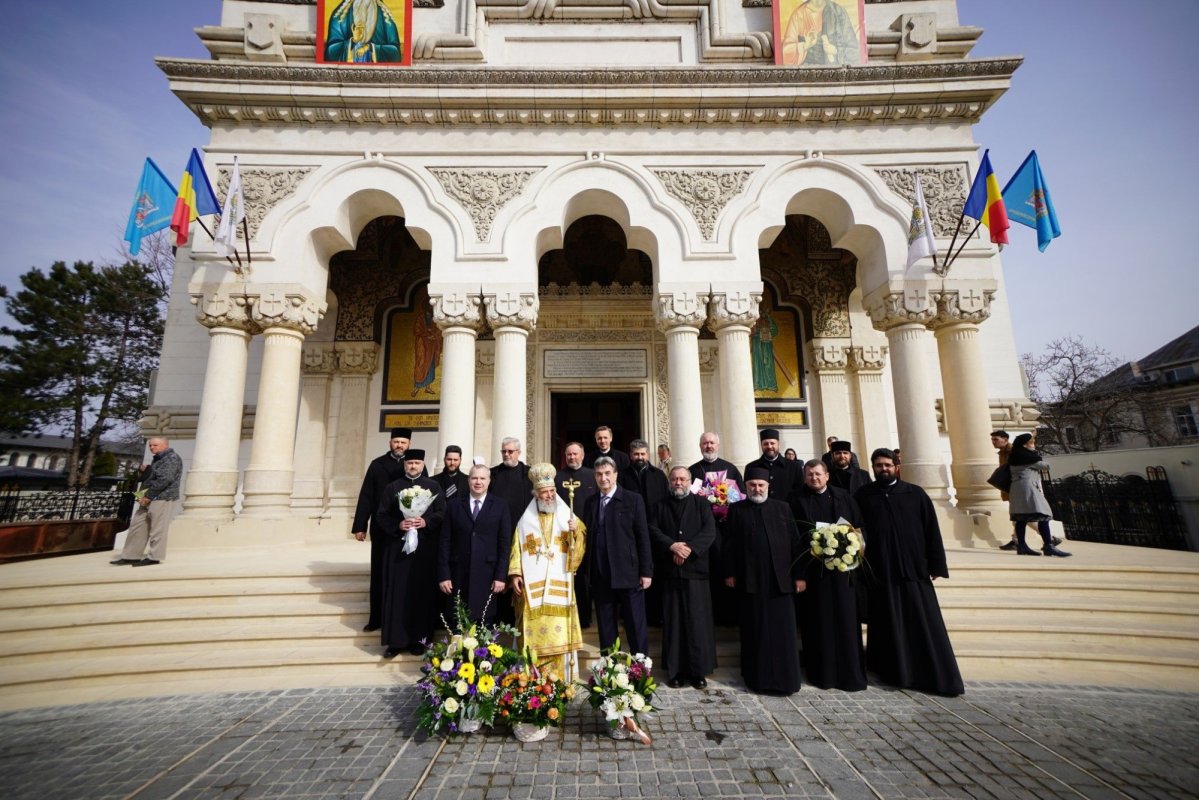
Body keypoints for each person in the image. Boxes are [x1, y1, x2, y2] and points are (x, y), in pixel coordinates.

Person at [855, 448, 964, 696]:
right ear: (872, 468)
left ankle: (928, 670)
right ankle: (893, 672)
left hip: (913, 570)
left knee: (922, 622)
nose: (883, 469)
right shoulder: (864, 495)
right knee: (886, 624)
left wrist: (936, 564)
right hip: (881, 572)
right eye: (878, 465)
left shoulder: (915, 494)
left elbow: (931, 531)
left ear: (897, 466)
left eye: (887, 465)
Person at [723, 467, 806, 695]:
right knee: (754, 630)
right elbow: (729, 544)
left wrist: (799, 576)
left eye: (760, 485)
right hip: (751, 581)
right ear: (746, 487)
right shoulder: (737, 510)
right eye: (752, 485)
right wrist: (729, 573)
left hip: (781, 581)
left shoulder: (783, 508)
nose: (756, 489)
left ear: (767, 486)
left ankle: (786, 680)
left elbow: (795, 544)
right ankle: (757, 679)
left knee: (783, 633)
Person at [790, 460, 866, 691]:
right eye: (810, 474)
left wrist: (855, 550)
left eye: (818, 474)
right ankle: (822, 674)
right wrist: (799, 574)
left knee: (846, 620)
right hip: (814, 573)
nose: (814, 478)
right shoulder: (796, 500)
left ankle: (850, 675)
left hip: (843, 572)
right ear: (804, 477)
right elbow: (793, 538)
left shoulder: (844, 497)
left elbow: (859, 528)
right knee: (818, 623)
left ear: (827, 476)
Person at [508, 463, 587, 675]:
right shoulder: (525, 522)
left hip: (559, 586)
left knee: (560, 635)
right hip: (534, 592)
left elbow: (580, 543)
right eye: (545, 492)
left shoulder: (566, 515)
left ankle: (564, 677)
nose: (549, 496)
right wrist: (515, 573)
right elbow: (517, 547)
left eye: (552, 491)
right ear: (536, 495)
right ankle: (532, 678)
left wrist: (576, 531)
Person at [648, 467, 718, 689]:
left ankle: (699, 672)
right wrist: (672, 546)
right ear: (669, 481)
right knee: (674, 623)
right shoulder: (659, 506)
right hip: (670, 573)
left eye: (682, 479)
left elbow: (709, 531)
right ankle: (675, 671)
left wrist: (687, 549)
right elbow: (653, 530)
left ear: (689, 481)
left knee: (697, 623)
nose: (678, 482)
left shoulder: (702, 504)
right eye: (675, 479)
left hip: (696, 573)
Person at [374, 449, 446, 658]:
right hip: (398, 550)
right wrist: (399, 524)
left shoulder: (433, 487)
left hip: (424, 550)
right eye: (410, 463)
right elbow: (381, 515)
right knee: (397, 593)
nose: (413, 466)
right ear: (404, 465)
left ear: (423, 465)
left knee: (420, 594)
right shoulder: (393, 488)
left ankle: (419, 640)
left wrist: (426, 521)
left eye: (417, 463)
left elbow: (442, 512)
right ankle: (395, 642)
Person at [582, 456, 653, 655]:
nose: (603, 478)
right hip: (600, 573)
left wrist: (646, 572)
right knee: (606, 627)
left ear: (615, 475)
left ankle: (640, 672)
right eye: (598, 474)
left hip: (628, 572)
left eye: (607, 474)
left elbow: (642, 537)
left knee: (635, 625)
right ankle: (610, 672)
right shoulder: (590, 502)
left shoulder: (633, 499)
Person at [351, 427, 411, 632]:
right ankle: (376, 618)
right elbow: (366, 495)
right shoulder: (377, 465)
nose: (400, 445)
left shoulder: (413, 464)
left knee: (402, 574)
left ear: (409, 444)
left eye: (403, 442)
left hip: (406, 530)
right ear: (390, 443)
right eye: (396, 442)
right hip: (381, 528)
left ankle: (400, 619)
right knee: (379, 573)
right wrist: (360, 525)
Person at [438, 464, 513, 624]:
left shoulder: (501, 506)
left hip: (488, 575)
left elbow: (504, 544)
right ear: (468, 480)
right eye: (474, 478)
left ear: (489, 481)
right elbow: (445, 542)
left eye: (482, 478)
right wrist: (444, 574)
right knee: (458, 621)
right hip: (458, 574)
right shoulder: (454, 505)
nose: (478, 482)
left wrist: (501, 576)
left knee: (484, 624)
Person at [689, 431, 743, 627]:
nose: (708, 446)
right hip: (701, 532)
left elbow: (740, 497)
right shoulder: (693, 471)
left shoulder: (730, 469)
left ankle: (728, 617)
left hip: (725, 530)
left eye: (712, 443)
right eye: (705, 443)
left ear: (718, 445)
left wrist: (725, 502)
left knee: (726, 571)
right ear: (700, 446)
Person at [619, 439, 670, 627]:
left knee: (655, 574)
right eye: (636, 454)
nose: (639, 458)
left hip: (655, 532)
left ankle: (655, 615)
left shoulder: (659, 476)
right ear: (630, 455)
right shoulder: (622, 476)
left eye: (643, 454)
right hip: (629, 534)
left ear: (648, 455)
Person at [111, 437, 182, 567]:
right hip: (148, 498)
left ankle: (154, 557)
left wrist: (148, 496)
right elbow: (155, 477)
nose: (151, 448)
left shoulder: (171, 458)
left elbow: (165, 480)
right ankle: (131, 556)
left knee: (157, 529)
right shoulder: (158, 459)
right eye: (150, 445)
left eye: (155, 445)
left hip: (162, 498)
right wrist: (146, 472)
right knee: (138, 527)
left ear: (165, 445)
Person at [1009, 433, 1071, 558]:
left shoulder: (1014, 455)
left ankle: (1022, 546)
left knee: (1021, 518)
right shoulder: (1027, 456)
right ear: (1025, 444)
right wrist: (1035, 454)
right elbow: (1046, 466)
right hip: (1029, 488)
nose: (1033, 444)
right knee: (1044, 515)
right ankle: (1048, 545)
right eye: (1031, 442)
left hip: (1016, 489)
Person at [556, 442, 597, 627]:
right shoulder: (558, 477)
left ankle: (585, 617)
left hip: (587, 534)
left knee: (585, 577)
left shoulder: (592, 475)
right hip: (562, 536)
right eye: (569, 454)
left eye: (575, 454)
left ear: (582, 455)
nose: (572, 457)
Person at [779, 0, 862, 66]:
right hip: (807, 76)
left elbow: (855, 51)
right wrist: (805, 45)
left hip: (836, 76)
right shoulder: (799, 15)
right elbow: (785, 52)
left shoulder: (838, 12)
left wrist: (836, 51)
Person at [323, 0, 403, 63]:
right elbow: (330, 53)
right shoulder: (339, 17)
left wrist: (371, 48)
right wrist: (353, 41)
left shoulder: (386, 18)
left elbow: (396, 54)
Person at [744, 428, 798, 500]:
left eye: (772, 443)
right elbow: (746, 492)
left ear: (778, 444)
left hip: (787, 510)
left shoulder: (794, 467)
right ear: (761, 445)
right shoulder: (751, 467)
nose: (769, 446)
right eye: (765, 444)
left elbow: (799, 492)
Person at [490, 437, 532, 527]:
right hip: (497, 523)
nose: (506, 454)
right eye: (503, 451)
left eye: (510, 451)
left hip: (523, 524)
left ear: (519, 452)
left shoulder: (529, 473)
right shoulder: (492, 473)